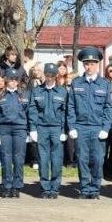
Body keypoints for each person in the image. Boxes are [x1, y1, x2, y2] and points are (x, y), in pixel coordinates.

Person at [67, 47, 112, 199]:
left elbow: (108, 107)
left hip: (98, 127)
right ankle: (85, 188)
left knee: (98, 160)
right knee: (82, 159)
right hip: (81, 127)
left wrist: (106, 127)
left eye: (92, 64)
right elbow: (71, 106)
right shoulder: (76, 83)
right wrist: (72, 126)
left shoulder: (104, 84)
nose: (89, 67)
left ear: (97, 65)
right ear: (83, 65)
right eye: (87, 64)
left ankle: (94, 189)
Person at [0, 70, 32, 198]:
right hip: (4, 129)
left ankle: (17, 186)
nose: (13, 82)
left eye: (16, 79)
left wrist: (30, 131)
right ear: (6, 80)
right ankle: (7, 186)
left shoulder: (25, 94)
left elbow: (30, 113)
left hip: (20, 129)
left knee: (19, 158)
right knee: (5, 158)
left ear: (18, 81)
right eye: (11, 79)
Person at [31, 63, 69, 198]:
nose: (50, 78)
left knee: (57, 159)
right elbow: (33, 110)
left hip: (56, 129)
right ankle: (45, 188)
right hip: (41, 128)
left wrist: (64, 130)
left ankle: (55, 188)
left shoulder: (62, 92)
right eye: (47, 75)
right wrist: (33, 129)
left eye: (52, 75)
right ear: (44, 75)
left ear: (56, 76)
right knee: (43, 159)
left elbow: (65, 112)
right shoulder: (37, 91)